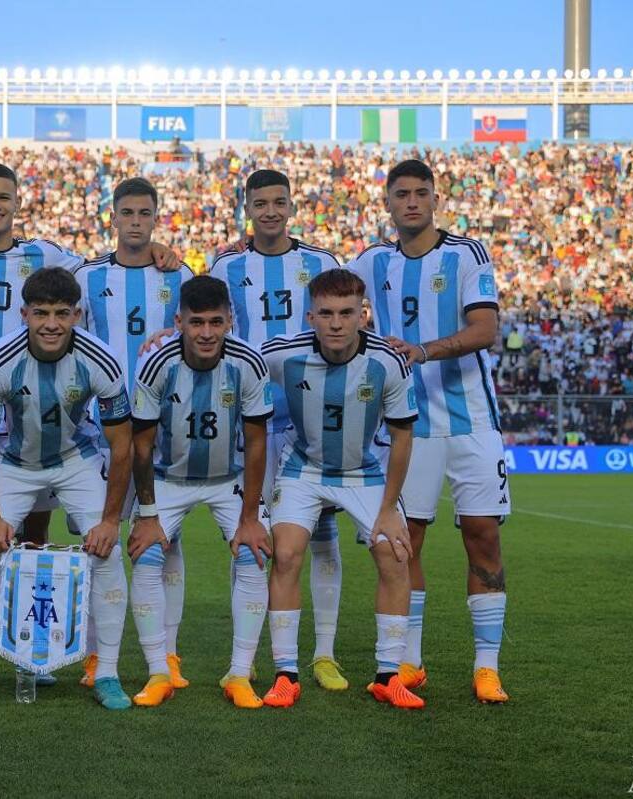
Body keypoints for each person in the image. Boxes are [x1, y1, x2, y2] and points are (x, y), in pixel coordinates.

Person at [0, 163, 180, 686]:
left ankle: (35, 649)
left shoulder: (51, 256)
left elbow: (107, 269)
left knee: (34, 537)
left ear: (18, 202)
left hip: (54, 431)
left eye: (4, 197)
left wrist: (156, 252)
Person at [347, 158, 511, 704]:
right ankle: (409, 663)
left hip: (472, 421)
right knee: (402, 543)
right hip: (405, 427)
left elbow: (485, 329)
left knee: (482, 535)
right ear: (388, 203)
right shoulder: (372, 262)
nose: (411, 202)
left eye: (421, 192)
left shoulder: (466, 254)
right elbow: (320, 285)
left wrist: (422, 351)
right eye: (401, 194)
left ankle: (485, 666)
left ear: (435, 198)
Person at [0, 267, 133, 710]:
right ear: (24, 314)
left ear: (77, 314)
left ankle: (107, 673)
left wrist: (111, 520)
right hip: (15, 463)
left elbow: (122, 444)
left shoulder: (102, 360)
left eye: (61, 313)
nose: (51, 323)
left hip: (76, 460)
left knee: (106, 552)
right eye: (41, 313)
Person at [208, 169, 350, 692]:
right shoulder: (227, 265)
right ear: (247, 207)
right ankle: (245, 661)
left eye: (279, 202)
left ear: (292, 206)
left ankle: (324, 654)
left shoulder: (322, 262)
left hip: (313, 418)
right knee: (252, 533)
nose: (270, 211)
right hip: (253, 421)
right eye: (260, 202)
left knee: (323, 534)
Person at [260, 269, 423, 710]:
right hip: (303, 468)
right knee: (288, 552)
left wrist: (390, 509)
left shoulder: (389, 362)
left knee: (394, 552)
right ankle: (286, 674)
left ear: (362, 315)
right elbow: (231, 356)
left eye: (346, 313)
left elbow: (403, 437)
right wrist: (169, 335)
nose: (336, 323)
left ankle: (388, 675)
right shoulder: (283, 354)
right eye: (327, 314)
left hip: (365, 473)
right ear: (310, 316)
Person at [128, 275, 272, 709]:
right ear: (179, 322)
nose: (206, 333)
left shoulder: (248, 362)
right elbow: (141, 444)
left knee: (254, 553)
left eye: (215, 322)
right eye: (196, 323)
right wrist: (149, 514)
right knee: (146, 554)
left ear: (230, 321)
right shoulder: (157, 363)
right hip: (167, 480)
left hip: (226, 481)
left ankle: (239, 674)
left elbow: (258, 441)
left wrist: (249, 518)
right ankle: (159, 671)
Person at [73, 177, 194, 690]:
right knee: (98, 538)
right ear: (114, 217)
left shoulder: (179, 273)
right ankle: (98, 654)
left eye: (146, 212)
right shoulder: (88, 274)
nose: (137, 220)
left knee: (165, 540)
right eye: (128, 212)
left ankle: (167, 654)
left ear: (156, 216)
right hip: (100, 425)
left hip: (160, 427)